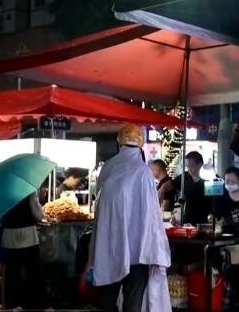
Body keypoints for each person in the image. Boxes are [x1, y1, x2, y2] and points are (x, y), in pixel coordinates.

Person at [90, 124, 171, 312]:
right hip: (138, 252)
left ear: (119, 143)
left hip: (109, 247)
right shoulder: (144, 172)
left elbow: (99, 206)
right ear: (141, 145)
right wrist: (157, 249)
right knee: (133, 303)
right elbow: (152, 216)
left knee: (108, 302)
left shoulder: (107, 168)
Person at [1, 189, 46, 309]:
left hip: (9, 235)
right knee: (34, 272)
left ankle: (13, 305)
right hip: (28, 234)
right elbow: (38, 215)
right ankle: (38, 303)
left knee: (12, 273)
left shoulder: (2, 190)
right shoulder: (28, 189)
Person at [172, 151, 212, 225]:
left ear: (200, 165)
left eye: (191, 166)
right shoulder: (184, 177)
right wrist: (161, 190)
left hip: (204, 222)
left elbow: (215, 201)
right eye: (187, 166)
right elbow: (170, 185)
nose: (189, 169)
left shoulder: (210, 180)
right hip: (187, 222)